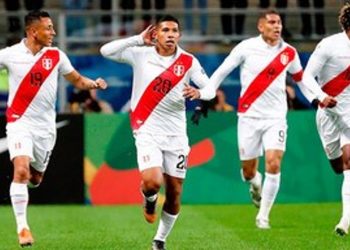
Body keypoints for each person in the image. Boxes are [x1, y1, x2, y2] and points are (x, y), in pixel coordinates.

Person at [189, 9, 336, 229]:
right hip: (248, 117)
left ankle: (263, 216)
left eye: (279, 23)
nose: (277, 27)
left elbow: (301, 80)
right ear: (261, 26)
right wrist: (205, 94)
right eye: (272, 23)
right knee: (249, 171)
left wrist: (317, 100)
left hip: (276, 117)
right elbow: (221, 72)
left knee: (274, 163)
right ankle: (254, 184)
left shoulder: (289, 52)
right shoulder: (246, 48)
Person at [100, 15, 214, 250]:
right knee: (152, 181)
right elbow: (105, 51)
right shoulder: (140, 55)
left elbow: (210, 88)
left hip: (176, 135)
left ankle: (159, 240)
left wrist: (199, 94)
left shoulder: (188, 61)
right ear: (156, 34)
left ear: (179, 35)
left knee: (174, 192)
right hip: (146, 129)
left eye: (174, 30)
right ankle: (149, 200)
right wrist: (137, 40)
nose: (170, 34)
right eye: (165, 30)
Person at [0, 10, 107, 247]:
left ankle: (28, 182)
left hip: (46, 128)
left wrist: (94, 84)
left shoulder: (56, 56)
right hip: (19, 122)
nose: (53, 32)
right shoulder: (9, 55)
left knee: (35, 178)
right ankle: (23, 228)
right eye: (48, 28)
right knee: (21, 170)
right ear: (32, 31)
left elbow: (77, 80)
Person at [303, 4, 350, 236]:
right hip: (328, 113)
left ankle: (345, 220)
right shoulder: (330, 45)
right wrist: (321, 97)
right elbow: (306, 76)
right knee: (338, 166)